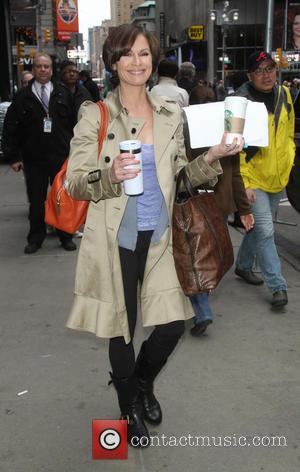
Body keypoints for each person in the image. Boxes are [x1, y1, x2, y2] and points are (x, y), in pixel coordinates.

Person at [65, 23, 243, 447]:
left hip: (162, 238)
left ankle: (141, 383)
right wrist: (108, 175)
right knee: (121, 329)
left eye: (144, 54)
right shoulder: (96, 114)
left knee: (171, 327)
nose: (136, 62)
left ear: (152, 59)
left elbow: (182, 177)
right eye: (127, 54)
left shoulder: (169, 114)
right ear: (113, 62)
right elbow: (74, 182)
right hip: (116, 242)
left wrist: (214, 157)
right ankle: (128, 409)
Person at [185, 87, 254, 336]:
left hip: (192, 206)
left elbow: (234, 175)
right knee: (201, 258)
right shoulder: (226, 136)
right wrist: (243, 210)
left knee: (194, 259)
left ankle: (200, 308)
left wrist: (244, 209)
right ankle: (200, 307)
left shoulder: (188, 132)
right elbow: (235, 177)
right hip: (214, 207)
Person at [234, 51, 295, 308]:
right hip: (254, 178)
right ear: (250, 76)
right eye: (259, 70)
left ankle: (243, 265)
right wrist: (244, 184)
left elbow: (289, 130)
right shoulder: (240, 104)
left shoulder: (284, 94)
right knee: (267, 231)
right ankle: (278, 286)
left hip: (277, 176)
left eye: (270, 68)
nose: (267, 75)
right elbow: (234, 148)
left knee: (259, 228)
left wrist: (289, 156)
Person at [2, 53, 77, 254]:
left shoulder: (63, 93)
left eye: (46, 66)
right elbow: (11, 127)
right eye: (39, 66)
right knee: (36, 201)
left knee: (61, 198)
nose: (43, 70)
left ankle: (65, 236)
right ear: (33, 69)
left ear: (52, 70)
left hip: (60, 157)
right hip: (34, 159)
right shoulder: (22, 97)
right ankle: (35, 238)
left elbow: (75, 124)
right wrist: (14, 157)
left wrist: (76, 153)